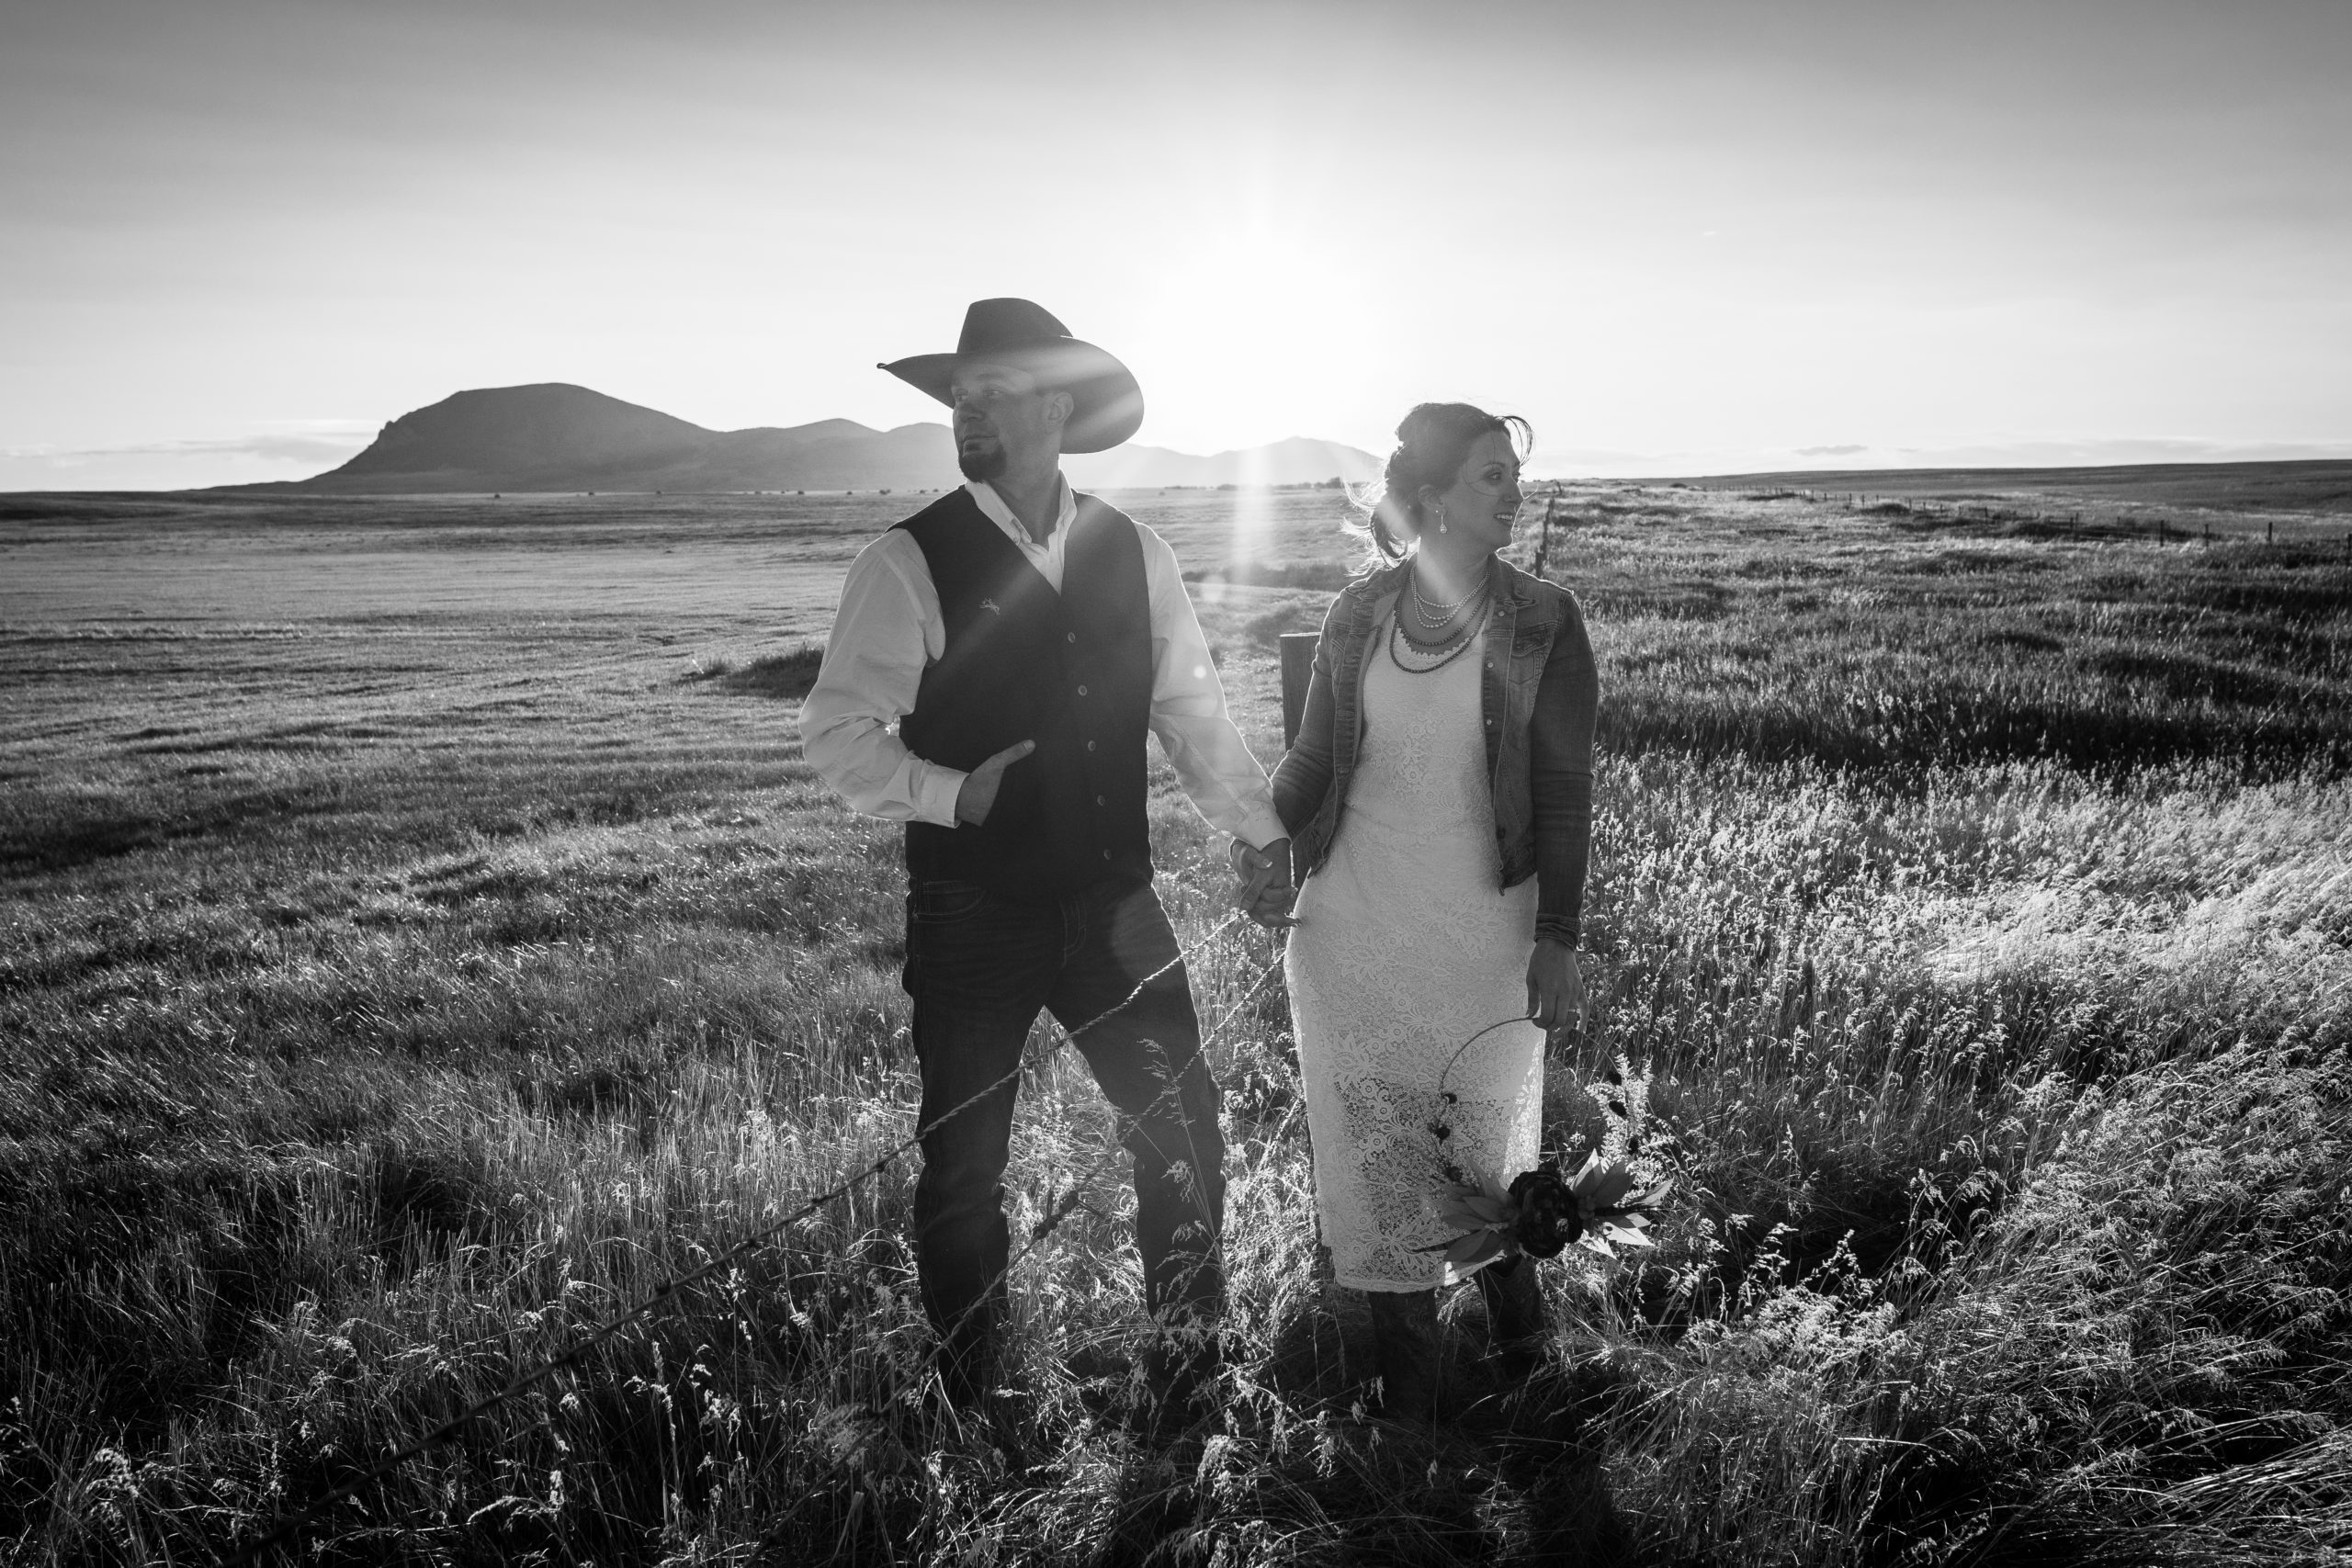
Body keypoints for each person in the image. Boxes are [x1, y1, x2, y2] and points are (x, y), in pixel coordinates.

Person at [798, 299, 1293, 1427]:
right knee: (964, 1168)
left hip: (1116, 900)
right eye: (958, 396)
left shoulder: (1134, 550)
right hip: (972, 909)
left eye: (994, 391)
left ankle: (1188, 1369)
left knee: (1181, 1125)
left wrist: (1264, 832)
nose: (966, 411)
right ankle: (974, 1402)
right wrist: (949, 793)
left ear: (1057, 408)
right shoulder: (907, 560)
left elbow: (1190, 716)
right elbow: (836, 734)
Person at [1248, 401, 1599, 1420]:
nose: (1514, 493)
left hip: (1482, 933)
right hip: (1352, 923)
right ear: (1435, 496)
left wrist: (1557, 937)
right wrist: (1264, 838)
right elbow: (1312, 759)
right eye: (1492, 475)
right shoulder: (1360, 612)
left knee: (1480, 1151)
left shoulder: (1545, 619)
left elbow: (1564, 791)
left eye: (1514, 475)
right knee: (1378, 1155)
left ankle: (1523, 1362)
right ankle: (1410, 1407)